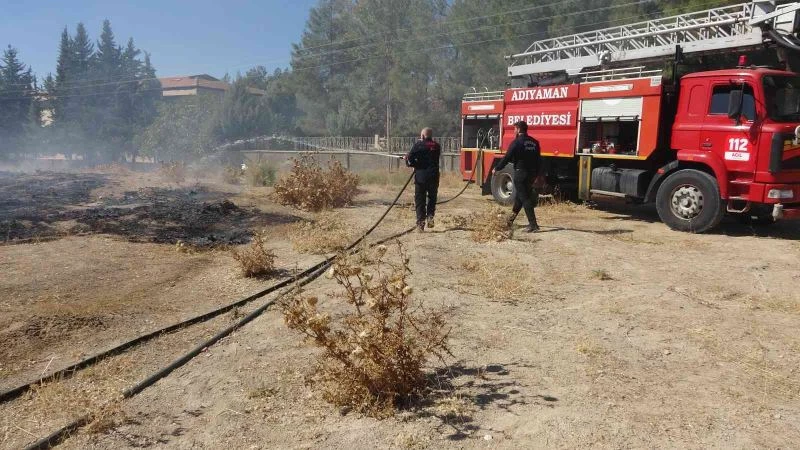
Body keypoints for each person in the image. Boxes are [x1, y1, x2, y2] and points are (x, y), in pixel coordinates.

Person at [492, 121, 542, 232]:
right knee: (519, 199)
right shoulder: (535, 142)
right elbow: (539, 160)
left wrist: (497, 168)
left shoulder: (516, 143)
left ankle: (533, 225)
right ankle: (510, 221)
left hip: (521, 173)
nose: (514, 131)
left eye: (514, 129)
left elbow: (506, 158)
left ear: (518, 129)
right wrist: (537, 174)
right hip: (531, 173)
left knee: (525, 198)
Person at [405, 127, 442, 232]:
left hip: (421, 177)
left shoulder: (418, 145)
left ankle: (420, 224)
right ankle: (430, 217)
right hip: (434, 176)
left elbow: (410, 159)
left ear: (422, 136)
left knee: (420, 200)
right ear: (431, 136)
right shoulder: (437, 146)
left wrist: (408, 160)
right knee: (432, 198)